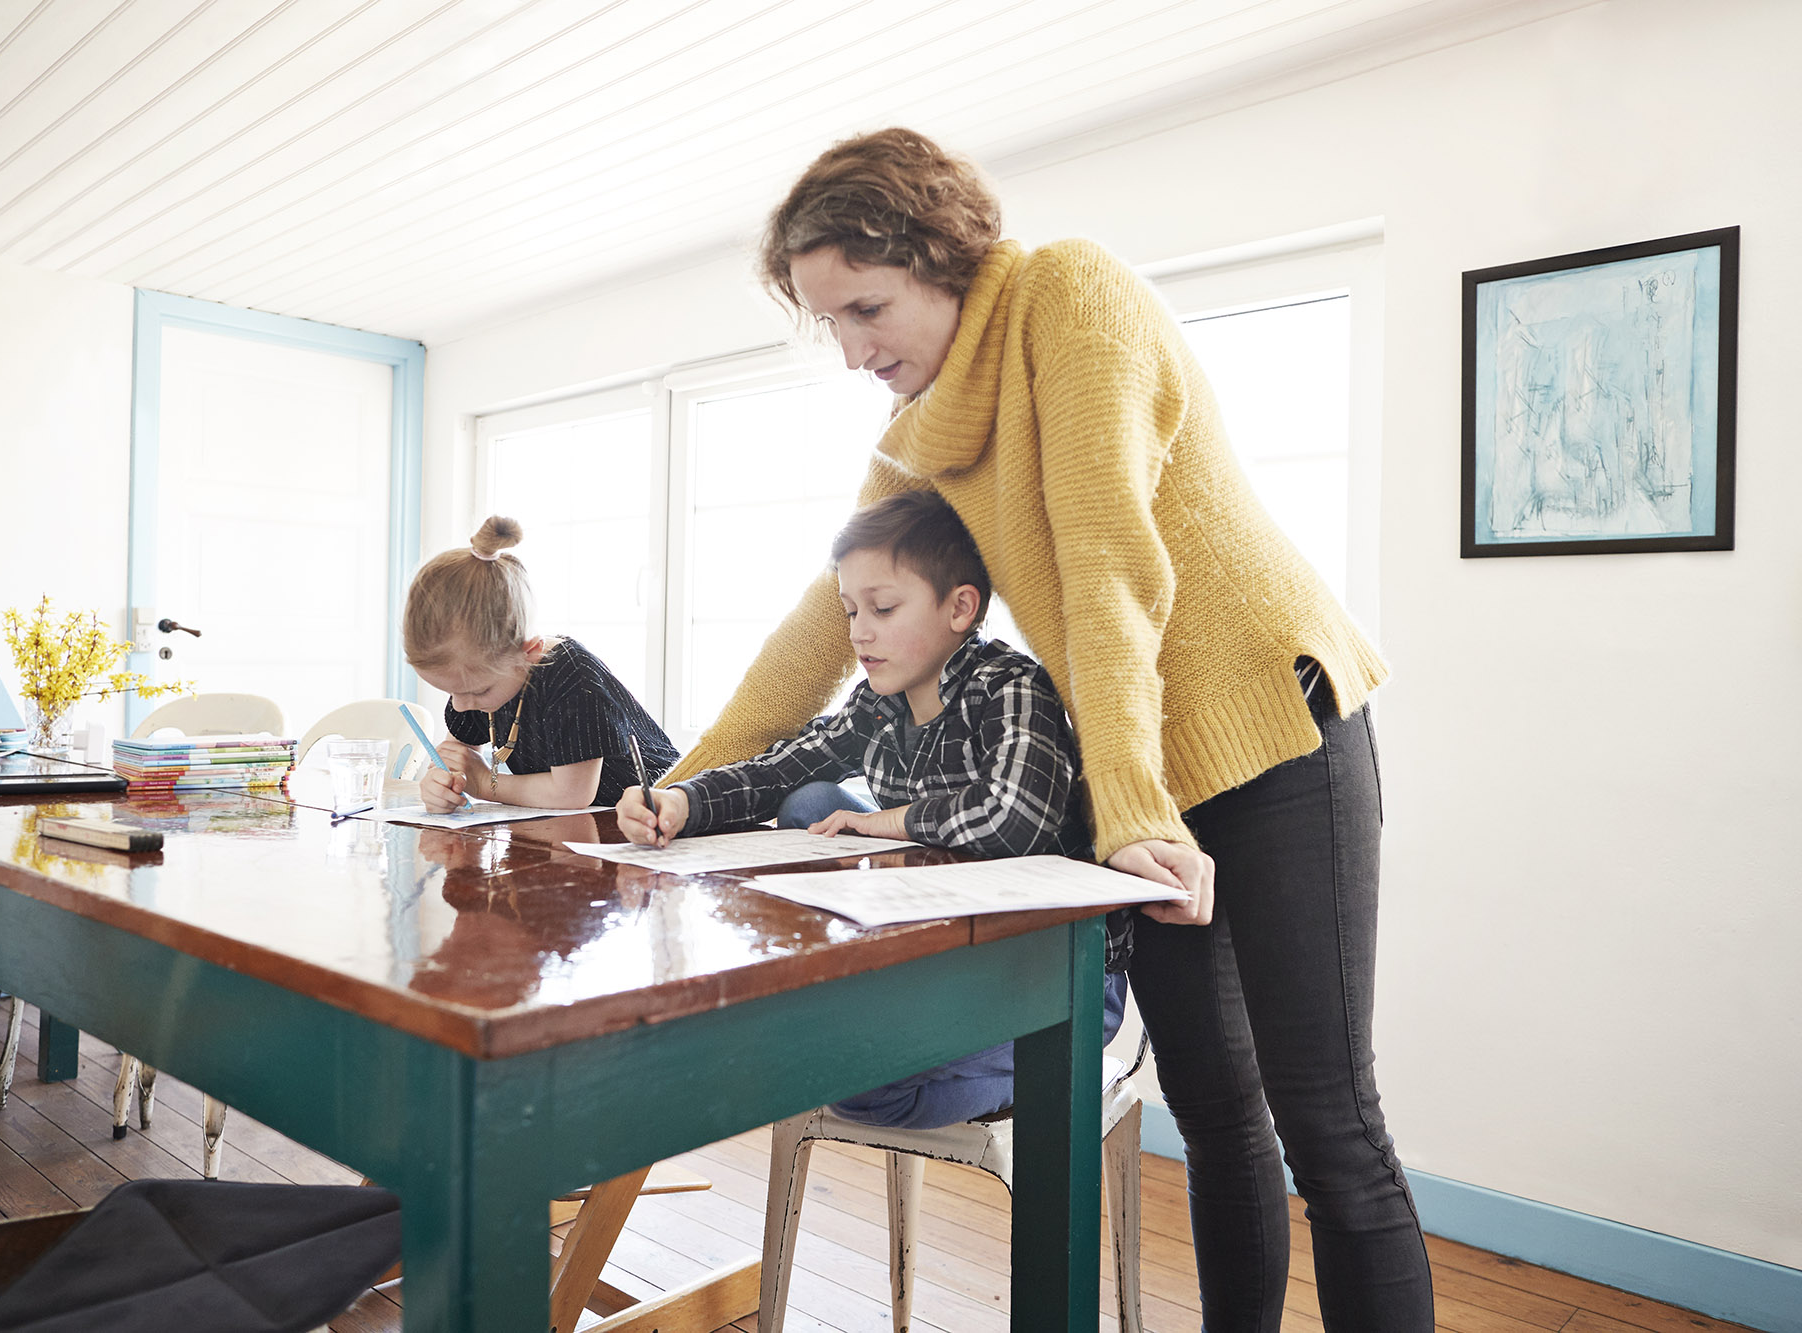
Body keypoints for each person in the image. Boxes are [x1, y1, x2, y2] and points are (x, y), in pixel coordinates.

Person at [663, 129, 1432, 1329]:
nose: (858, 351)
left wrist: (1124, 811)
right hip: (1148, 784)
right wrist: (683, 785)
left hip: (1276, 734)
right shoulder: (919, 431)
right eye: (835, 326)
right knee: (1215, 1112)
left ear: (940, 254)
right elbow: (817, 626)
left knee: (1327, 1123)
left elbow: (1107, 565)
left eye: (868, 308)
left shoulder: (1068, 294)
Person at [617, 489, 1125, 1129]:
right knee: (811, 799)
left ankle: (1049, 1064)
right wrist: (680, 801)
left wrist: (892, 819)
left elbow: (1016, 820)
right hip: (947, 957)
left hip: (1051, 975)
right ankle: (855, 1009)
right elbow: (781, 770)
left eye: (883, 608)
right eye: (851, 609)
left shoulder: (1012, 686)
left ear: (960, 608)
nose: (859, 631)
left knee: (860, 1087)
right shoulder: (878, 702)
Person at [406, 515, 677, 812]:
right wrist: (442, 784)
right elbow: (457, 757)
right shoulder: (477, 681)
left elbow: (571, 794)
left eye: (478, 692)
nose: (459, 705)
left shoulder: (574, 679)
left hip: (652, 817)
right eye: (451, 691)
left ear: (530, 652)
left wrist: (484, 783)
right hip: (574, 827)